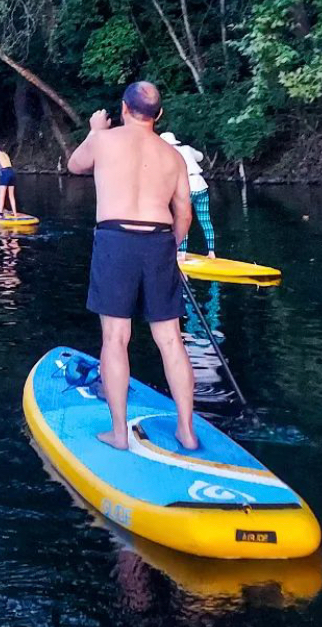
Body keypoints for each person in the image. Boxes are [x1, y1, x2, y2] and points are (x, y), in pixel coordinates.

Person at [67, 81, 198, 452]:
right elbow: (183, 213)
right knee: (171, 340)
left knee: (115, 338)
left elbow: (75, 165)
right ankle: (186, 432)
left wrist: (94, 131)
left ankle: (120, 435)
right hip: (159, 240)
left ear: (124, 109)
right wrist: (169, 248)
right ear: (158, 115)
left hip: (115, 240)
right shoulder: (173, 158)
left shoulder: (104, 140)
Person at [161, 133, 215, 259]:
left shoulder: (167, 155)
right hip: (201, 185)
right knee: (205, 220)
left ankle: (182, 253)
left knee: (182, 219)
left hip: (186, 188)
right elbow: (200, 157)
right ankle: (211, 252)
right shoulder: (186, 149)